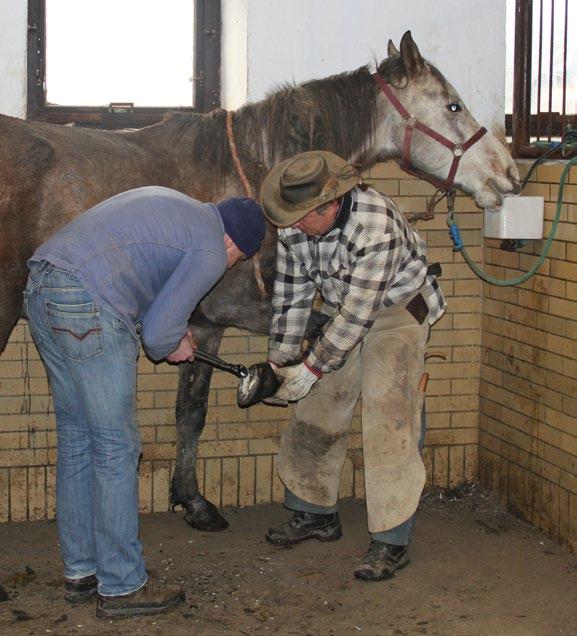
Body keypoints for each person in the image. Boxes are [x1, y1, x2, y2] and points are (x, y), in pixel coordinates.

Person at [23, 186, 266, 618]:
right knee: (117, 448)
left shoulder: (177, 208)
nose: (230, 266)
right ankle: (122, 585)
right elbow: (156, 339)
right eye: (239, 260)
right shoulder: (211, 248)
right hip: (88, 302)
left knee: (79, 441)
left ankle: (82, 571)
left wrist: (176, 333)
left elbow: (144, 292)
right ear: (234, 243)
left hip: (44, 286)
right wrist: (173, 342)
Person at [259, 151, 446, 581]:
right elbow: (292, 298)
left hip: (396, 312)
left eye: (300, 217)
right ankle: (315, 513)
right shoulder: (295, 226)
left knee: (389, 414)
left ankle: (391, 538)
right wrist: (281, 363)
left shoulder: (376, 225)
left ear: (329, 205)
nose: (289, 227)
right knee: (317, 406)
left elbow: (359, 316)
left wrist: (310, 368)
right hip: (344, 308)